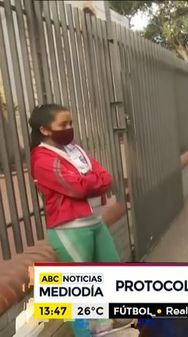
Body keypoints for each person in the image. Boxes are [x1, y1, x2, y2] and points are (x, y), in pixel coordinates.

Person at [28, 104, 125, 336]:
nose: (69, 128)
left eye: (70, 123)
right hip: (69, 229)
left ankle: (103, 327)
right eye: (63, 125)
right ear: (44, 129)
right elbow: (77, 187)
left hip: (95, 222)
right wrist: (90, 180)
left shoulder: (74, 150)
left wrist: (89, 180)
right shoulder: (41, 158)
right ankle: (86, 333)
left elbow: (105, 177)